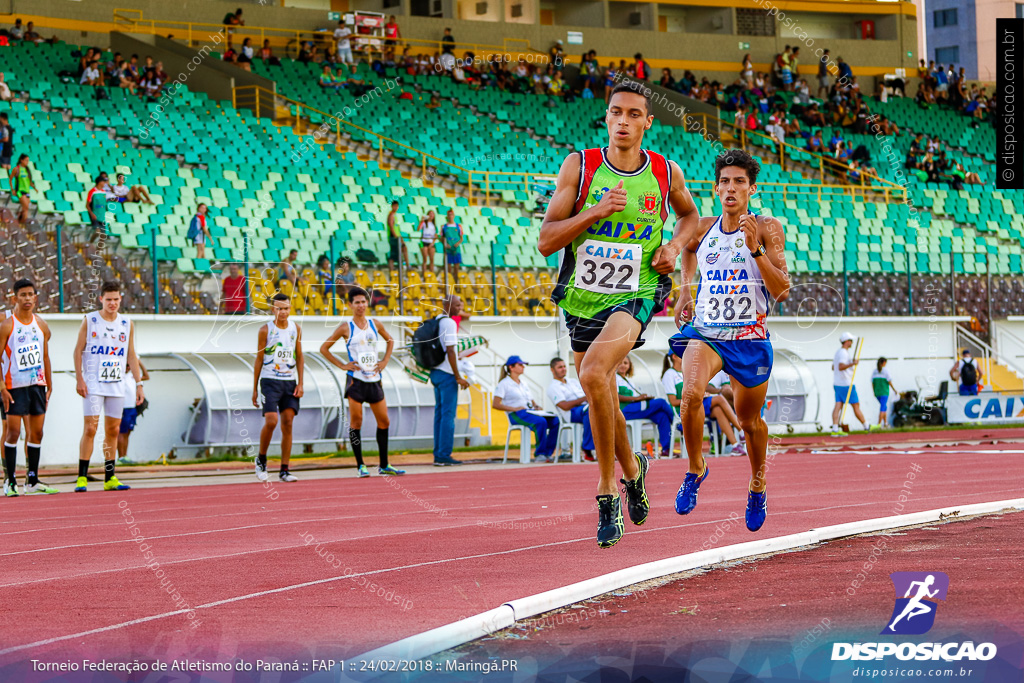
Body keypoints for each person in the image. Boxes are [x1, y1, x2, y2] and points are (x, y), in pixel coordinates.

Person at [539, 80, 699, 548]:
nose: (624, 121)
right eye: (616, 113)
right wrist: (593, 212)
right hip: (581, 295)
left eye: (634, 114)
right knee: (600, 388)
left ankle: (607, 490)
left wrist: (673, 244)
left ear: (648, 122)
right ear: (606, 118)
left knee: (591, 374)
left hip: (639, 289)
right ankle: (634, 468)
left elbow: (689, 217)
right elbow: (548, 240)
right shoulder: (581, 166)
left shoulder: (666, 173)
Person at [671, 149, 790, 533]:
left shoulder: (768, 227)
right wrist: (686, 291)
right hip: (707, 331)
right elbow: (687, 250)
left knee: (749, 422)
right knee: (689, 396)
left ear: (751, 189)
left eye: (739, 181)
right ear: (716, 187)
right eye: (725, 181)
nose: (731, 188)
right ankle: (695, 468)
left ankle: (758, 485)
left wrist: (755, 249)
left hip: (749, 337)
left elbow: (783, 290)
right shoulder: (703, 226)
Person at [320, 287, 402, 477]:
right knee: (357, 422)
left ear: (368, 303)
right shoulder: (345, 327)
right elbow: (324, 348)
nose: (361, 306)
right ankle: (361, 466)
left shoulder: (375, 323)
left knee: (384, 421)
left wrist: (385, 360)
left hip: (374, 379)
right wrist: (342, 365)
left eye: (363, 302)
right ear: (350, 305)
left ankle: (384, 464)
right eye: (357, 302)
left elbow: (390, 341)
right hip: (356, 381)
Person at [73, 281, 143, 492]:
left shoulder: (127, 323)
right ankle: (82, 477)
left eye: (116, 299)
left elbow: (131, 354)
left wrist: (139, 384)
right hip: (93, 383)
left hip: (116, 384)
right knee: (91, 428)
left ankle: (110, 476)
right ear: (101, 299)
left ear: (121, 299)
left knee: (113, 429)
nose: (112, 303)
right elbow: (78, 350)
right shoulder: (90, 320)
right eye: (108, 299)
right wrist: (80, 378)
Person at [0, 280, 57, 496]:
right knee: (13, 432)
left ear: (35, 298)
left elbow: (44, 356)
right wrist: (2, 388)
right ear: (14, 298)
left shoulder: (41, 324)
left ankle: (32, 480)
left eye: (30, 294)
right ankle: (10, 481)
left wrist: (49, 383)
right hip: (14, 386)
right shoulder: (7, 326)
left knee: (37, 432)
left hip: (37, 386)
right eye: (22, 295)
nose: (27, 298)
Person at [252, 293, 303, 483]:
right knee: (271, 421)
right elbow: (259, 358)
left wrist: (300, 383)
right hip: (269, 380)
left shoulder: (295, 329)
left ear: (290, 308)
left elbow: (299, 356)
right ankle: (262, 460)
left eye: (286, 308)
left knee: (288, 422)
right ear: (273, 309)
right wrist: (255, 387)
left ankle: (284, 469)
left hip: (289, 381)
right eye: (279, 308)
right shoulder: (265, 330)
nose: (283, 312)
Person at [429, 295, 471, 466]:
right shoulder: (450, 323)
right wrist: (458, 376)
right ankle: (444, 454)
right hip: (447, 373)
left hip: (435, 371)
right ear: (447, 305)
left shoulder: (436, 321)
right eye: (457, 305)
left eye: (460, 304)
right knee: (448, 415)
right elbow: (451, 351)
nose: (459, 308)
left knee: (439, 414)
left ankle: (438, 453)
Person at [494, 356, 559, 462]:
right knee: (540, 422)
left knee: (555, 421)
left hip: (529, 412)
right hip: (516, 414)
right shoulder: (504, 384)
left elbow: (530, 401)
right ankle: (540, 454)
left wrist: (536, 406)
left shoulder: (524, 383)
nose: (523, 367)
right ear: (511, 367)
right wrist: (514, 408)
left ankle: (548, 453)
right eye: (520, 365)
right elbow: (495, 404)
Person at [615, 356, 676, 460]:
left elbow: (636, 398)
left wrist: (642, 397)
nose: (623, 365)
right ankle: (677, 423)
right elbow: (615, 396)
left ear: (630, 366)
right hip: (625, 410)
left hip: (636, 408)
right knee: (661, 402)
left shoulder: (629, 381)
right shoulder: (614, 377)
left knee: (662, 416)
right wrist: (637, 397)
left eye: (625, 363)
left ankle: (666, 449)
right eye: (620, 363)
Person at [547, 357, 594, 461]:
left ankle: (608, 449)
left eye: (564, 366)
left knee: (602, 410)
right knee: (590, 410)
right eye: (560, 367)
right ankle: (587, 448)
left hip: (585, 407)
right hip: (572, 413)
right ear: (552, 369)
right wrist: (585, 398)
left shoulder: (573, 381)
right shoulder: (553, 387)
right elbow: (564, 406)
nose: (563, 369)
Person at [831, 332, 869, 434]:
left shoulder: (838, 352)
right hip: (846, 384)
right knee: (856, 405)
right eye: (851, 341)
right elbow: (840, 366)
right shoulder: (843, 352)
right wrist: (853, 363)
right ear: (847, 341)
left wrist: (849, 363)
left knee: (838, 405)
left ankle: (835, 428)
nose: (852, 343)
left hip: (838, 383)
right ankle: (866, 426)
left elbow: (833, 367)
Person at [117, 360, 148, 465]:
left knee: (127, 433)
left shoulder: (132, 376)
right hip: (123, 408)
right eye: (126, 366)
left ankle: (125, 455)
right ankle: (120, 457)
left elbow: (146, 376)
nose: (128, 368)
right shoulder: (119, 376)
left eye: (129, 366)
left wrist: (139, 363)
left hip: (132, 407)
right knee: (121, 432)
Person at [871, 357, 897, 429]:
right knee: (883, 407)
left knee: (884, 406)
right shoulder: (885, 371)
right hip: (884, 392)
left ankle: (885, 423)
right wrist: (894, 390)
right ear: (884, 363)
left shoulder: (874, 371)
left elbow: (872, 382)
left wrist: (874, 391)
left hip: (877, 392)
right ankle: (879, 424)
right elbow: (889, 382)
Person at [440, 209, 464, 285]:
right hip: (448, 249)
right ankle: (449, 284)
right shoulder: (444, 227)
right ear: (447, 217)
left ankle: (456, 283)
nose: (450, 217)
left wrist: (457, 243)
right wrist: (445, 244)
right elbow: (441, 237)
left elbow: (461, 238)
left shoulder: (458, 226)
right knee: (448, 268)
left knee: (456, 267)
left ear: (453, 216)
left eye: (451, 215)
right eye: (449, 215)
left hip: (456, 249)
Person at [10, 153, 33, 226]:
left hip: (27, 191)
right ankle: (21, 225)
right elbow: (10, 179)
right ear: (21, 160)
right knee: (26, 207)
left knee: (25, 209)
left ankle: (19, 220)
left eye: (28, 161)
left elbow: (28, 181)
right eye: (26, 160)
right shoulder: (17, 169)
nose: (27, 162)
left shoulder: (27, 170)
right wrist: (12, 189)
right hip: (19, 191)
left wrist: (33, 187)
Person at [386, 200, 408, 270]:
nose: (396, 207)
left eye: (397, 206)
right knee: (393, 255)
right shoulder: (391, 215)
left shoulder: (395, 216)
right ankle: (392, 270)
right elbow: (391, 226)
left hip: (397, 237)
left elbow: (397, 229)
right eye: (394, 206)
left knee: (402, 250)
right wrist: (396, 237)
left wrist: (401, 238)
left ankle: (405, 266)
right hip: (393, 238)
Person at [418, 210, 438, 277]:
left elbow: (435, 235)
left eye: (433, 214)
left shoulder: (434, 225)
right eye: (430, 214)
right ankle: (424, 275)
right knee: (425, 259)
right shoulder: (424, 223)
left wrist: (432, 243)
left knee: (432, 259)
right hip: (424, 242)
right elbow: (418, 229)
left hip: (431, 243)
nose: (431, 215)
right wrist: (422, 220)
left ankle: (431, 275)